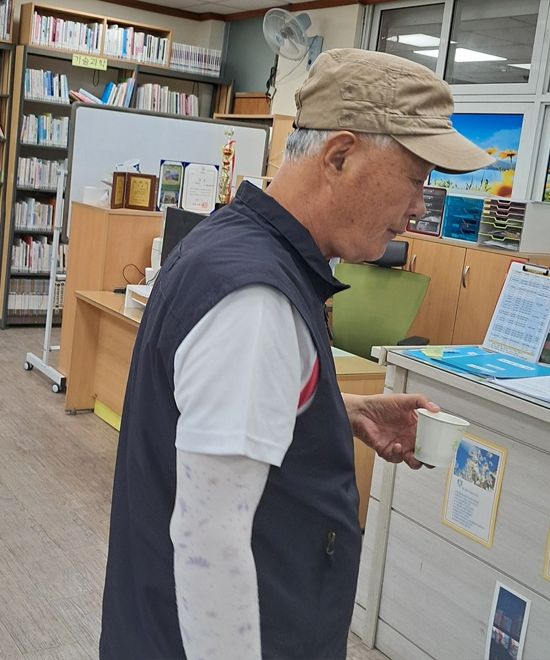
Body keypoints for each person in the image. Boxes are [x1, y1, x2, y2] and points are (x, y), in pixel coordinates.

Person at [99, 48, 494, 660]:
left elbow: (210, 425)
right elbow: (210, 544)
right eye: (416, 178)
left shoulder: (232, 246)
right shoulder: (258, 300)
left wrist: (339, 410)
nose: (420, 207)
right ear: (339, 155)